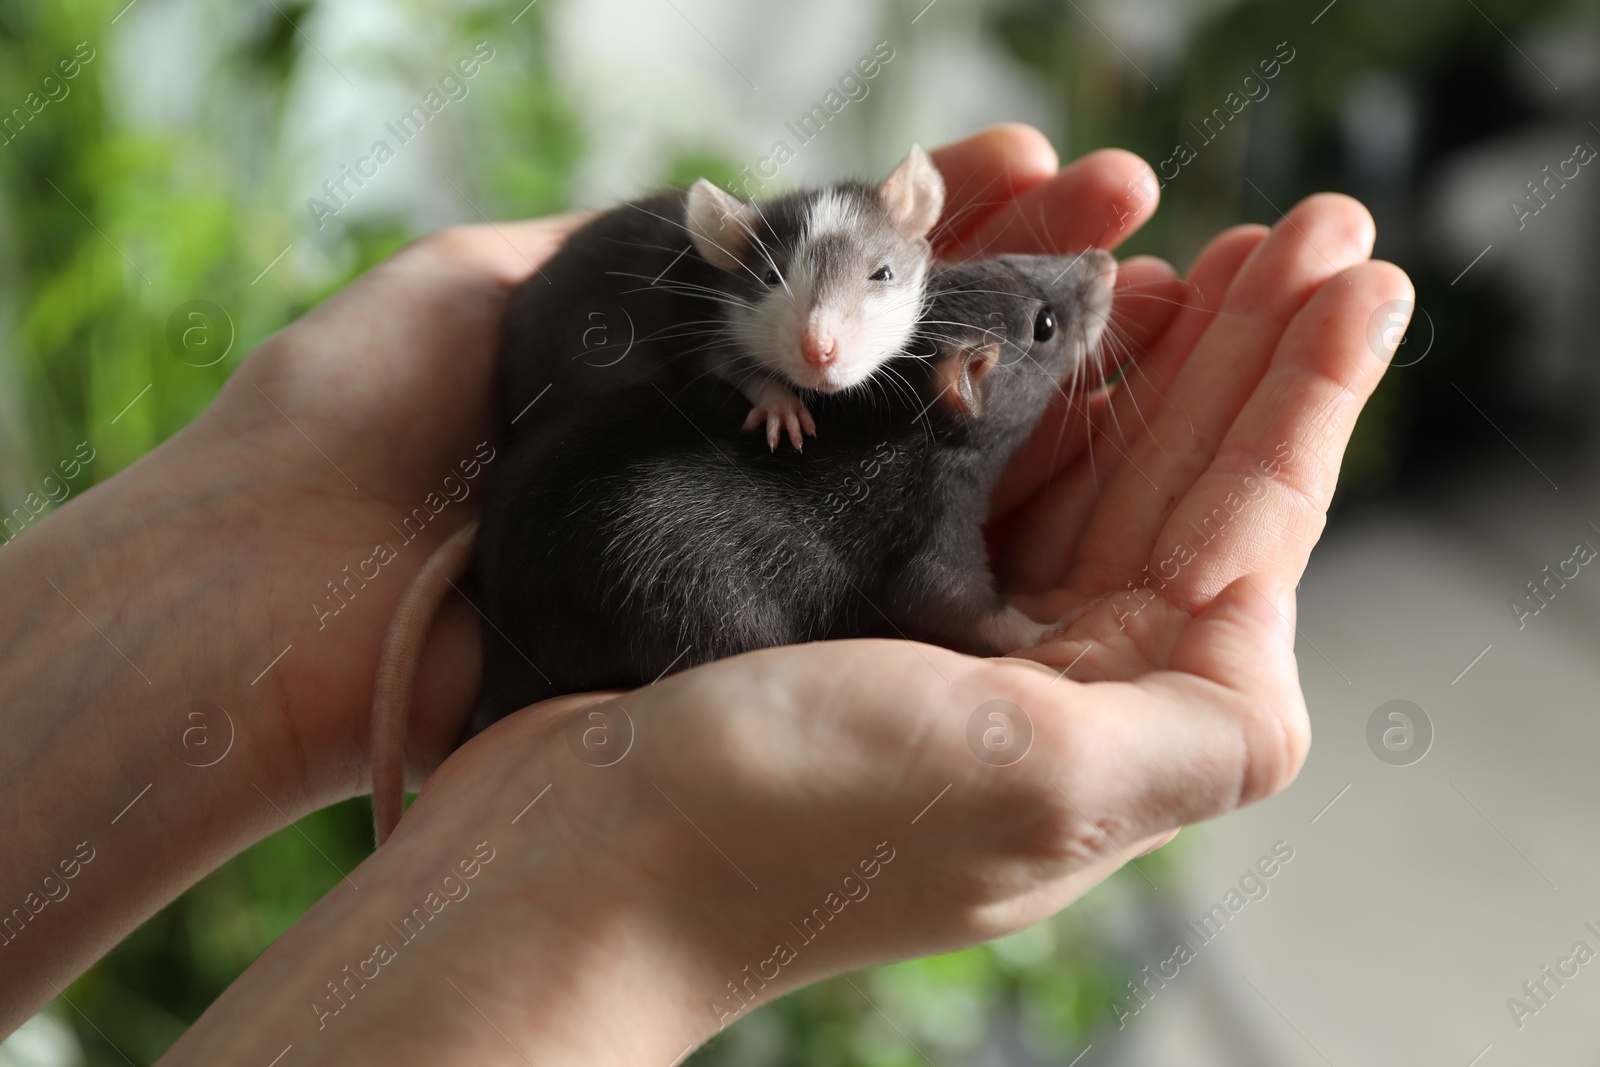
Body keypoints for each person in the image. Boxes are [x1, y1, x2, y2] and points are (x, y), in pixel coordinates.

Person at [0, 124, 1409, 1064]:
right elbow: (927, 566)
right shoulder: (803, 385)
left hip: (593, 526)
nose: (1088, 292)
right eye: (1051, 319)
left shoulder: (897, 367)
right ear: (976, 387)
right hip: (615, 543)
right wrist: (1000, 629)